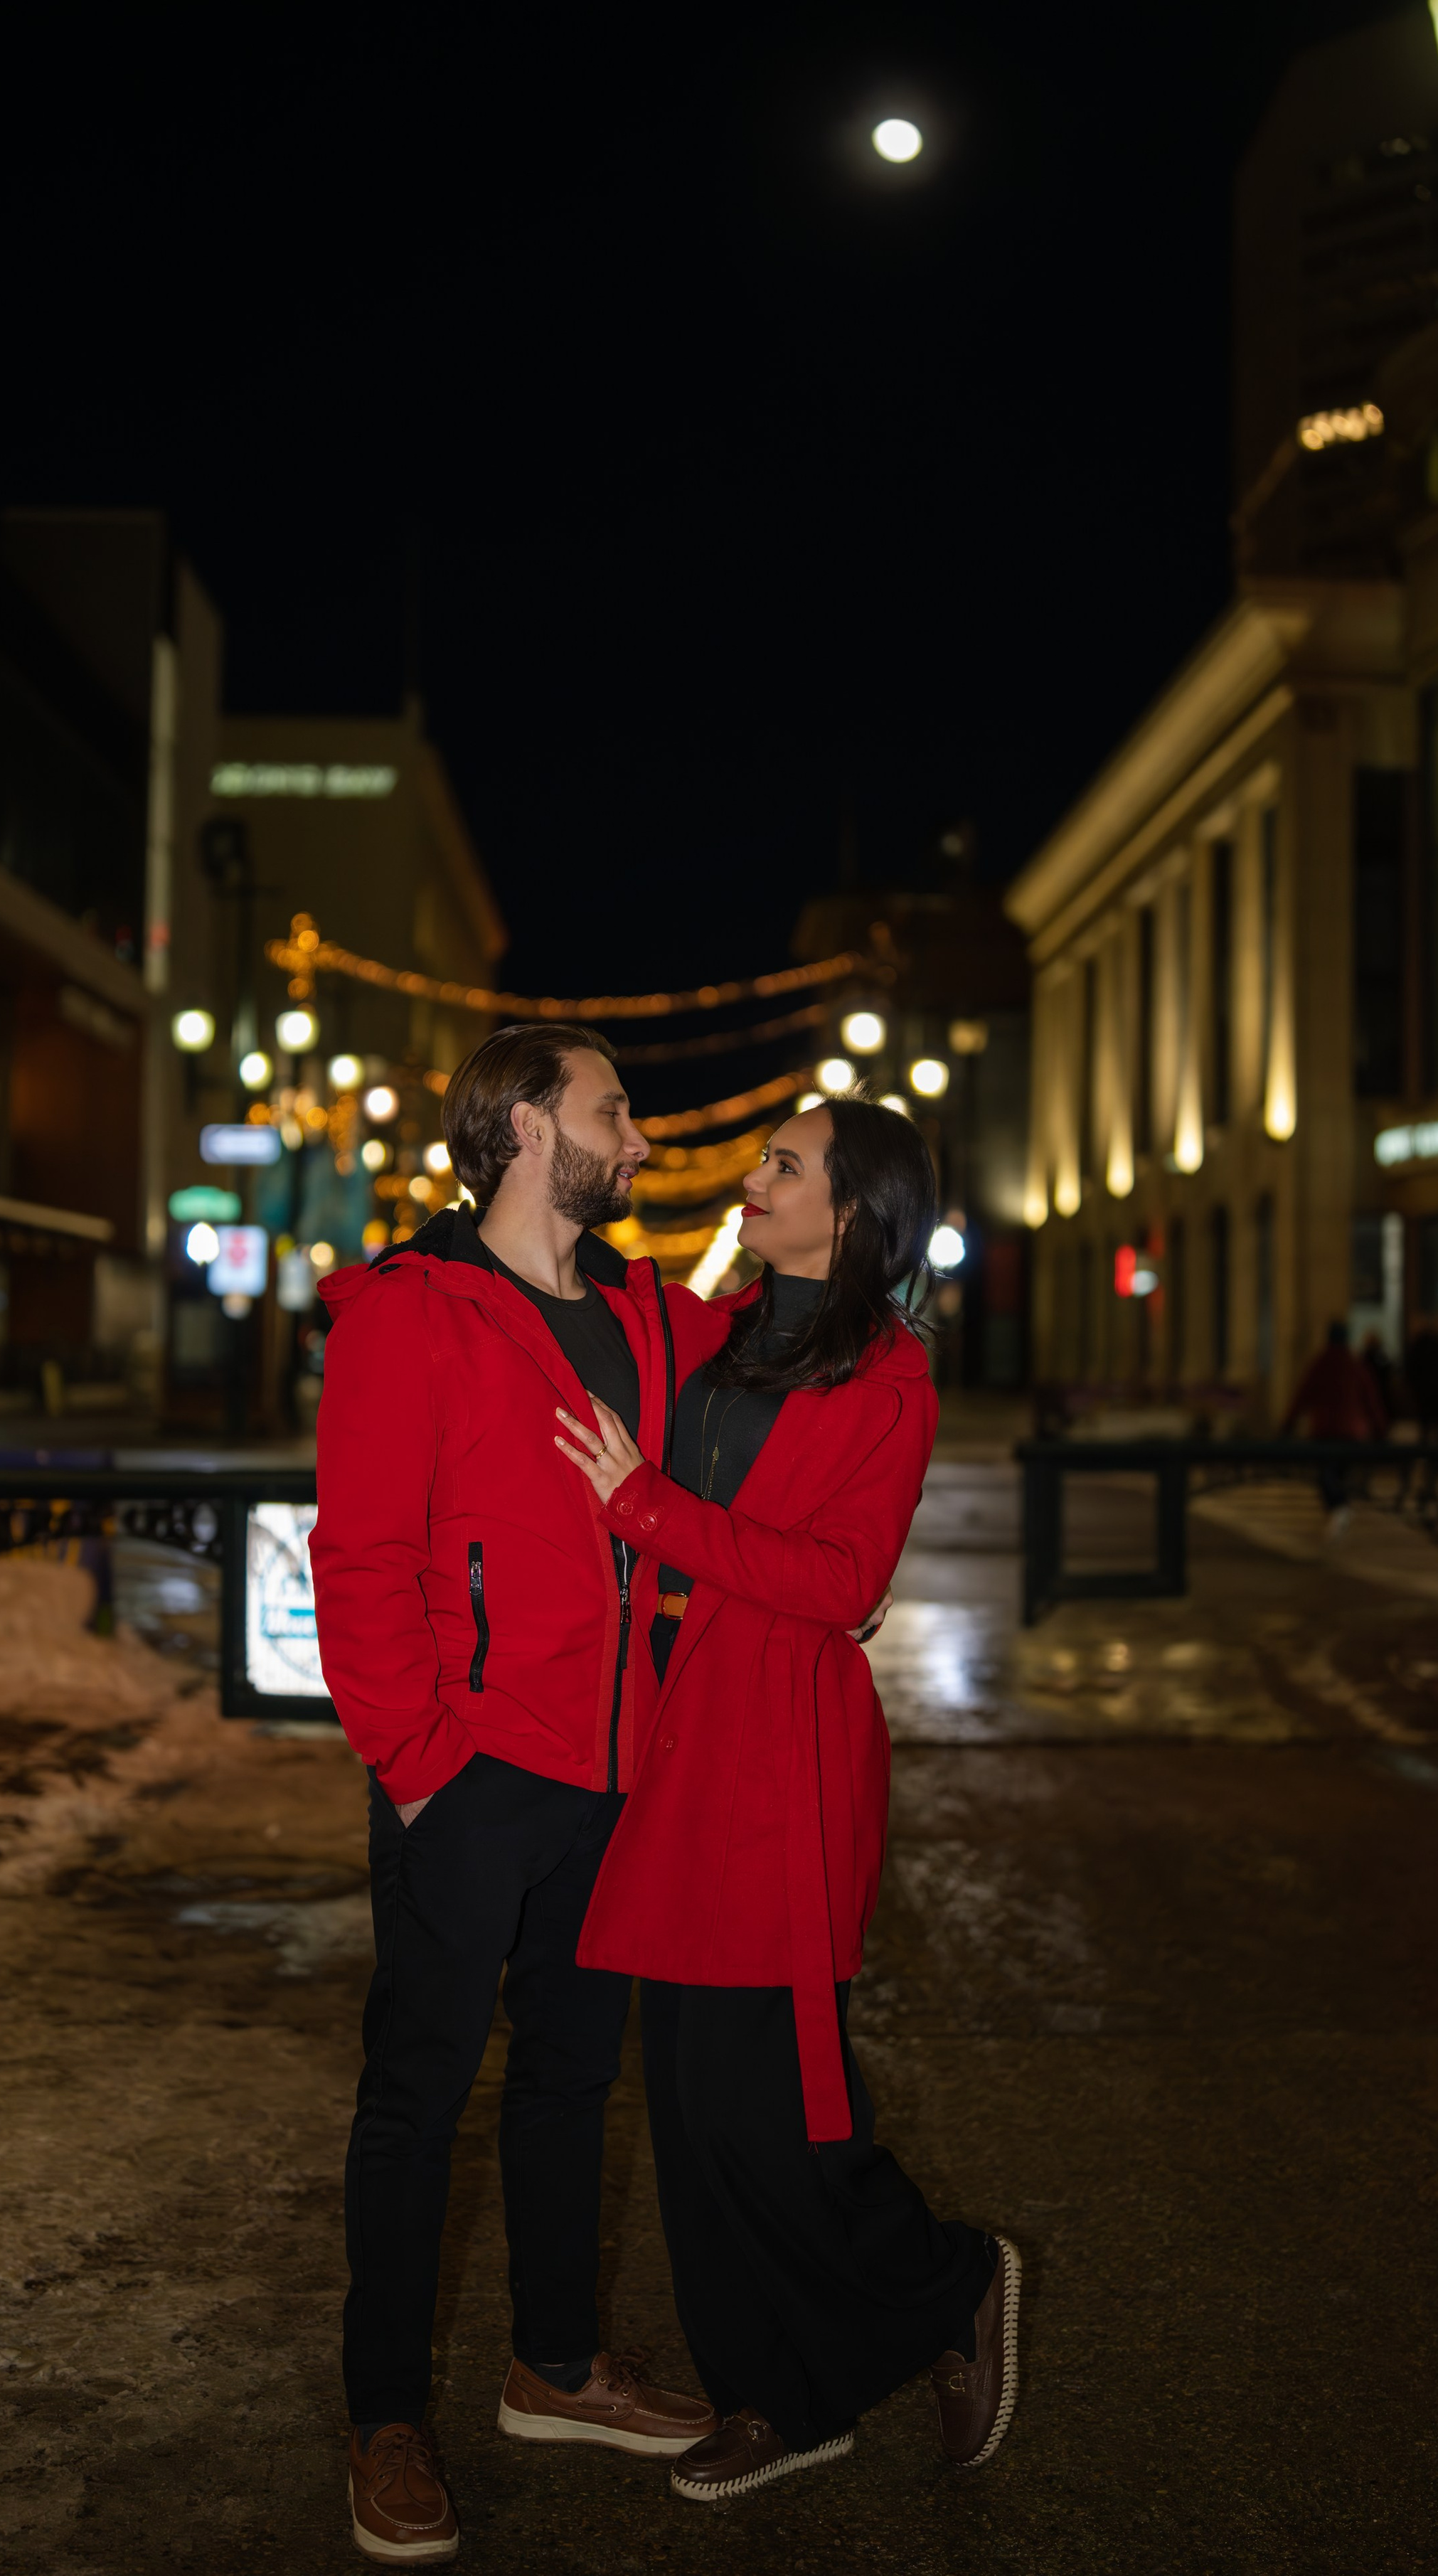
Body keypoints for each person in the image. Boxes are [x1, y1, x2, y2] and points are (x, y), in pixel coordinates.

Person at [552, 1097, 1017, 2504]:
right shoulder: (724, 1332)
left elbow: (838, 1586)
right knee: (691, 2101)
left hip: (780, 1754)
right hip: (681, 1741)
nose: (750, 1181)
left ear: (858, 1212)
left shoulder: (885, 1378)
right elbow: (572, 1301)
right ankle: (773, 2395)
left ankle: (945, 2286)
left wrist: (646, 1512)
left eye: (783, 1166)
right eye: (761, 1161)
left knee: (774, 2104)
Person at [310, 1023, 735, 2562]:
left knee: (569, 2079)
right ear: (517, 1126)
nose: (634, 1134)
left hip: (609, 1771)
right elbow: (355, 1565)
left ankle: (553, 2363)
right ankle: (383, 2420)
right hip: (469, 1775)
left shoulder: (646, 1311)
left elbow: (778, 1355)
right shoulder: (409, 1315)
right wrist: (421, 1772)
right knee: (416, 2097)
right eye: (608, 1108)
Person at [1281, 1319, 1385, 1533]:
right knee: (1338, 1473)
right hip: (1352, 1432)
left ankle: (1339, 1508)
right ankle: (1340, 1509)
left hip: (1326, 1430)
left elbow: (1302, 1396)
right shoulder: (1355, 1365)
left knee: (1326, 1473)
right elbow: (1371, 1400)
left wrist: (1287, 1425)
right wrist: (1380, 1429)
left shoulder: (1321, 1364)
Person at [1403, 1312, 1438, 1452]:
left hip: (1427, 1392)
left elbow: (1411, 1369)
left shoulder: (1421, 1346)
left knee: (1428, 1428)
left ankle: (1429, 1455)